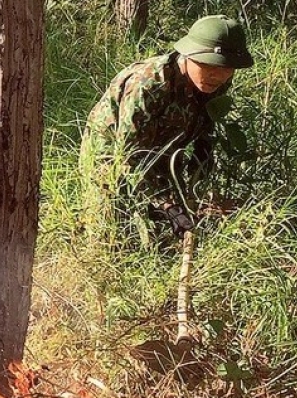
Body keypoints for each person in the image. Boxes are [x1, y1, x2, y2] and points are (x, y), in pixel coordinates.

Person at [80, 14, 254, 243]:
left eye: (227, 67)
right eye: (207, 64)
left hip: (165, 151)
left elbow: (206, 129)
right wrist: (167, 204)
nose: (217, 74)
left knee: (167, 234)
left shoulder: (215, 81)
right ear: (188, 55)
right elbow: (129, 156)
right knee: (110, 234)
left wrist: (199, 173)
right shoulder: (149, 84)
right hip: (112, 153)